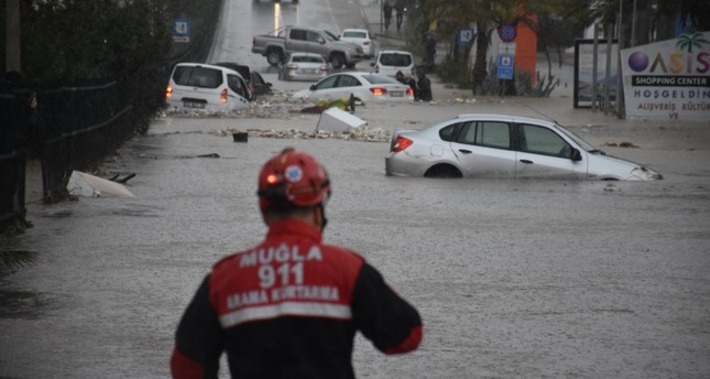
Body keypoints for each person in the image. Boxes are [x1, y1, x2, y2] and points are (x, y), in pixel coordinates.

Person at [170, 147, 423, 379]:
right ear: (319, 206)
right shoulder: (348, 270)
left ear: (263, 209)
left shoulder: (223, 279)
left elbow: (186, 364)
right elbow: (406, 337)